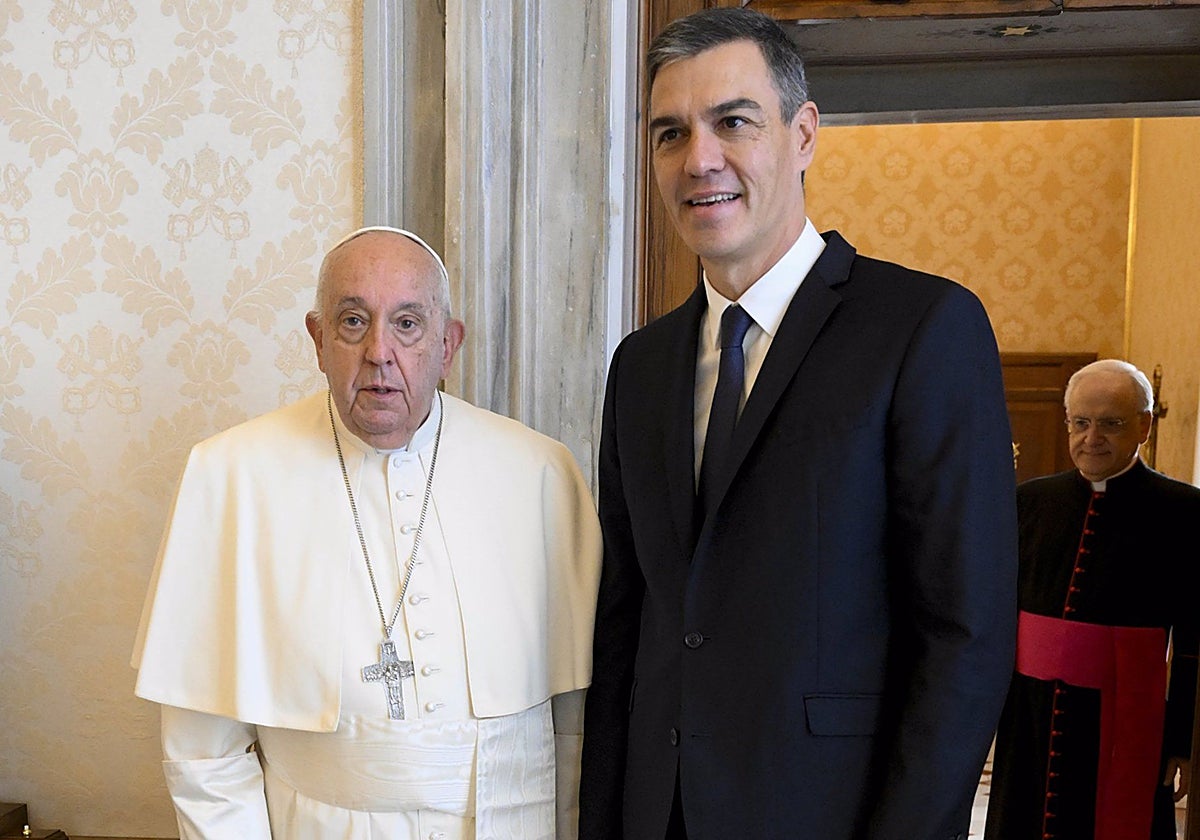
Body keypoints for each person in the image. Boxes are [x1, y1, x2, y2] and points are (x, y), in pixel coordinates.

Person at [578, 7, 1017, 840]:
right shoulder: (640, 365)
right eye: (670, 134)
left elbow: (966, 636)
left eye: (732, 122)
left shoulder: (923, 328)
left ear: (804, 133)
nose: (698, 160)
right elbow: (625, 628)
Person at [132, 226, 603, 839]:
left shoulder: (540, 471)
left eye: (407, 323)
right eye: (354, 321)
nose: (380, 351)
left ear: (447, 343)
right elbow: (204, 755)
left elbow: (576, 725)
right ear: (317, 339)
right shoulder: (231, 476)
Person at [985, 358, 1199, 840]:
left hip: (1129, 718)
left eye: (1111, 423)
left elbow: (1193, 638)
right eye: (1080, 423)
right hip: (1031, 715)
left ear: (1143, 426)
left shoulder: (1186, 512)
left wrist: (1183, 740)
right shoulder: (1029, 502)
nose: (1091, 437)